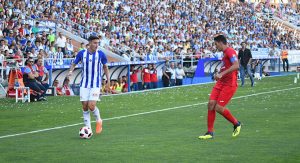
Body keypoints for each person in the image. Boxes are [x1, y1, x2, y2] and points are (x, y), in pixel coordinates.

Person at [199, 35, 241, 140]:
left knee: (219, 108)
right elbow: (226, 66)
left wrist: (222, 74)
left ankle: (236, 123)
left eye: (216, 44)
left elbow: (236, 65)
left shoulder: (230, 51)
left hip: (229, 84)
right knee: (211, 104)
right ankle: (210, 132)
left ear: (221, 42)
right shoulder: (224, 54)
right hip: (221, 83)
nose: (215, 46)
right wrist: (219, 73)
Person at [68, 35, 110, 134]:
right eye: (95, 43)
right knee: (85, 106)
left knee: (91, 105)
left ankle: (99, 120)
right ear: (89, 43)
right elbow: (74, 63)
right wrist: (70, 71)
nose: (97, 45)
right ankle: (88, 128)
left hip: (95, 83)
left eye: (98, 43)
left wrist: (108, 80)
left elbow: (105, 67)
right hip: (84, 84)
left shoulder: (101, 54)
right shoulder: (82, 53)